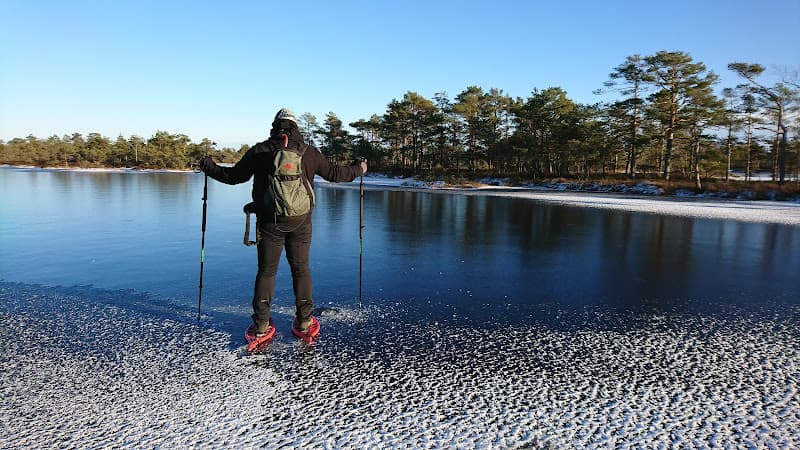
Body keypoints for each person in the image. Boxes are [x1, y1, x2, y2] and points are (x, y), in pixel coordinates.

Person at [199, 108, 367, 340]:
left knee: (266, 271)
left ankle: (261, 326)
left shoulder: (260, 151)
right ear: (295, 127)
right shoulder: (309, 152)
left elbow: (233, 177)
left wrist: (208, 166)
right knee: (301, 269)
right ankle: (305, 322)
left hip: (269, 223)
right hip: (301, 222)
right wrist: (360, 168)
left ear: (275, 127)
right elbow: (337, 174)